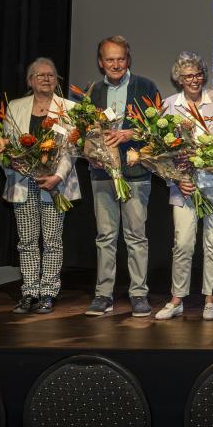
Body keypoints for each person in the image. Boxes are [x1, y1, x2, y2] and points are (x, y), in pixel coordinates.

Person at [83, 35, 161, 318]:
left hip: (136, 173)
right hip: (102, 173)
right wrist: (91, 150)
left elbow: (158, 130)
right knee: (105, 236)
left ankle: (139, 293)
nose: (116, 64)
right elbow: (83, 133)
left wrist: (131, 133)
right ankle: (103, 295)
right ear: (101, 63)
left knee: (136, 236)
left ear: (128, 60)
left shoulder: (146, 87)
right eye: (110, 59)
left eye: (121, 58)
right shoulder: (92, 92)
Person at [0, 58, 81, 315]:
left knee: (53, 240)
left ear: (57, 80)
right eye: (40, 75)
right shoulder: (15, 107)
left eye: (51, 75)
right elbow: (6, 148)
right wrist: (17, 166)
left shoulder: (68, 108)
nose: (46, 79)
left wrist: (56, 176)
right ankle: (29, 291)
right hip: (23, 183)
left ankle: (48, 291)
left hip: (54, 184)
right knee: (27, 241)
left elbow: (72, 150)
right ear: (30, 80)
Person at [153, 52, 213, 322]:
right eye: (188, 76)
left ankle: (210, 299)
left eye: (198, 74)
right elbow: (159, 152)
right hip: (182, 186)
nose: (194, 80)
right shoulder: (169, 105)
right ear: (179, 79)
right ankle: (177, 299)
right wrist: (175, 178)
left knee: (212, 242)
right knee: (182, 243)